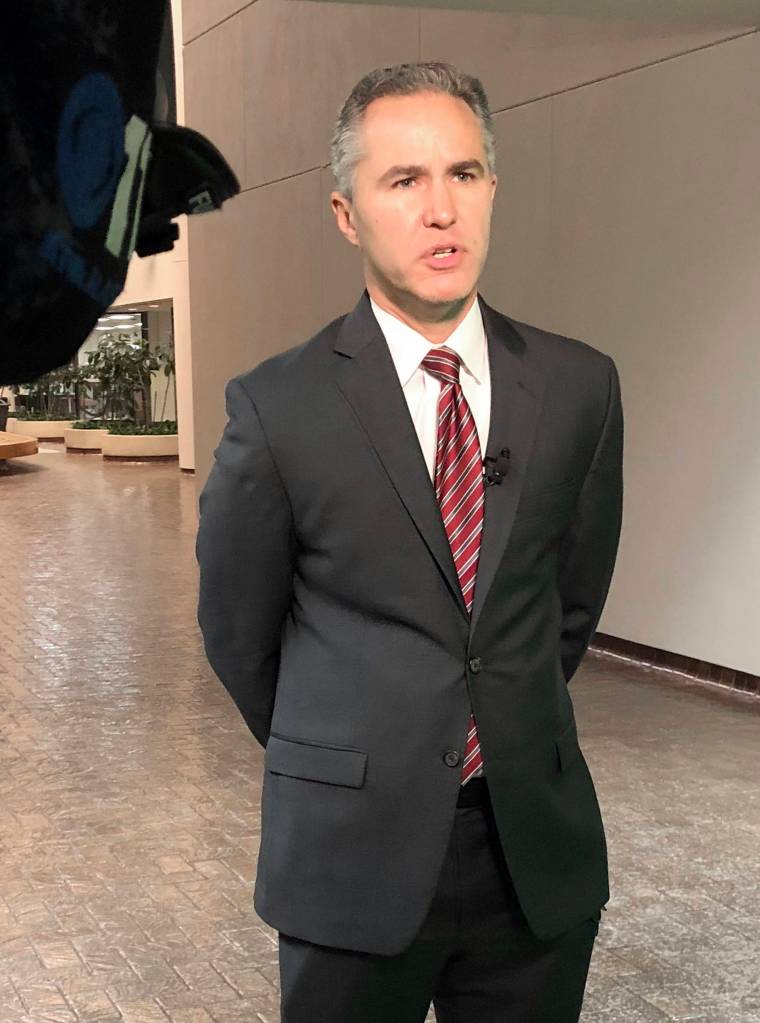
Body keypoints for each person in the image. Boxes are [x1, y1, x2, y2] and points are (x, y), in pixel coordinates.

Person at [196, 60, 623, 1023]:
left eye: (463, 173)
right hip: (351, 856)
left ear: (493, 189)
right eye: (404, 180)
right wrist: (353, 748)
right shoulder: (278, 407)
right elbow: (239, 634)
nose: (441, 210)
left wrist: (495, 719)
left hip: (533, 858)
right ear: (346, 213)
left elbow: (569, 603)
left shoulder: (579, 388)